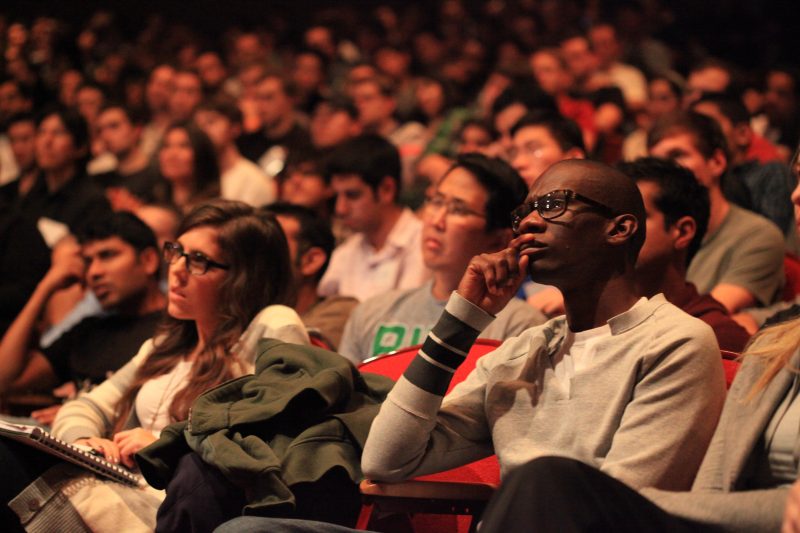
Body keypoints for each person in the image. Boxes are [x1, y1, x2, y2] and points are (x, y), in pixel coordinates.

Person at [362, 159, 725, 494]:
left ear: (620, 229)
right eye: (524, 213)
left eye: (553, 205)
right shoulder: (523, 351)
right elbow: (386, 459)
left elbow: (616, 506)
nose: (531, 223)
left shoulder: (675, 343)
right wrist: (462, 321)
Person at [2, 200, 309, 532]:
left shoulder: (271, 325)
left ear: (245, 277)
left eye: (198, 261)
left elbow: (277, 437)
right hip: (121, 486)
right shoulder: (163, 347)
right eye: (177, 252)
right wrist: (87, 441)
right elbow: (86, 405)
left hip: (181, 506)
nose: (176, 269)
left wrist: (166, 444)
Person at [475, 312, 800, 533]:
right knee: (547, 480)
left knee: (553, 486)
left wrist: (625, 499)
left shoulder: (678, 340)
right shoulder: (773, 349)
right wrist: (463, 319)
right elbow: (712, 490)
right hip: (715, 523)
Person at [339, 153, 546, 363]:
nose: (436, 221)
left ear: (499, 239)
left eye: (458, 209)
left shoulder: (519, 326)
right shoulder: (371, 313)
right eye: (436, 202)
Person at [0, 212, 166, 414]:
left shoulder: (175, 330)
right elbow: (5, 381)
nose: (94, 272)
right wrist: (44, 289)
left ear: (148, 260)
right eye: (87, 261)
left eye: (107, 255)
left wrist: (73, 413)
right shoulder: (88, 330)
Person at [648, 110, 785, 314]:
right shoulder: (655, 234)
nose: (665, 172)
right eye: (657, 164)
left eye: (677, 156)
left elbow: (706, 315)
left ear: (717, 162)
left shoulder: (758, 235)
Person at [620, 157, 751, 353]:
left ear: (683, 232)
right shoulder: (588, 321)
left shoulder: (716, 334)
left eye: (635, 216)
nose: (617, 229)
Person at [317, 134, 430, 301]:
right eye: (337, 196)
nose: (340, 209)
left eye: (352, 195)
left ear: (386, 189)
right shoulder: (345, 253)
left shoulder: (425, 244)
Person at [265, 202, 358, 349]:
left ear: (311, 261)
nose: (254, 257)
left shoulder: (339, 311)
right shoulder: (238, 309)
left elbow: (293, 360)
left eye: (271, 245)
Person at [194, 97, 277, 207]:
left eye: (211, 122)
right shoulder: (192, 176)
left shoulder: (253, 181)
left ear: (235, 128)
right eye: (198, 125)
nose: (203, 130)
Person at [156, 121, 220, 213]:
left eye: (183, 146)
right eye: (167, 146)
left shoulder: (212, 210)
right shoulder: (154, 199)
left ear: (201, 154)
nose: (172, 154)